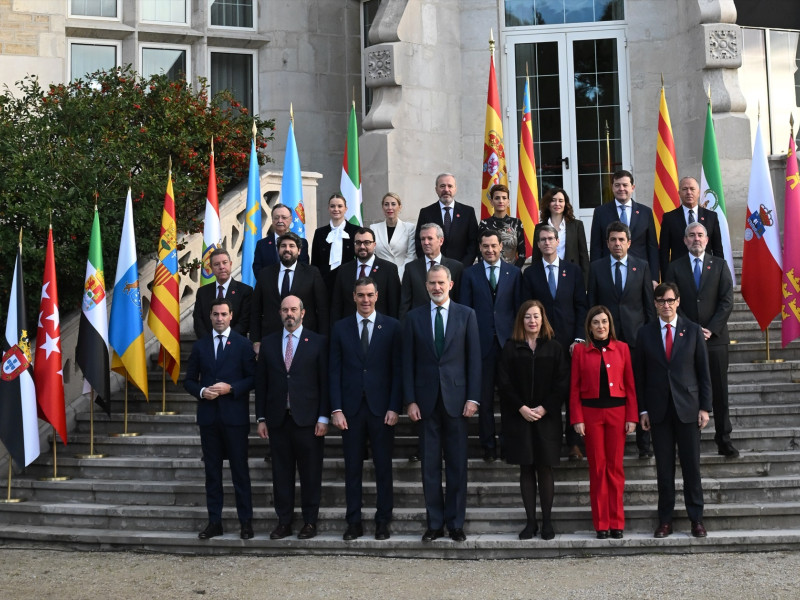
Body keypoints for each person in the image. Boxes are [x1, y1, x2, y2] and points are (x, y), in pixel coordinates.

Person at [403, 264, 481, 542]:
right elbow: (407, 363)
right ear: (426, 286)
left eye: (441, 283)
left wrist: (473, 398)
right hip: (425, 404)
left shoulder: (466, 315)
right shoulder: (413, 318)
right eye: (432, 283)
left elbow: (474, 360)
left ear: (450, 284)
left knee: (458, 465)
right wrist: (410, 400)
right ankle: (434, 523)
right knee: (430, 466)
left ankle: (456, 523)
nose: (436, 287)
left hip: (458, 402)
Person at [635, 282, 712, 539]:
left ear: (678, 301)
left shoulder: (692, 331)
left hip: (688, 409)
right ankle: (665, 520)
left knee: (692, 467)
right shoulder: (645, 333)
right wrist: (643, 410)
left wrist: (705, 407)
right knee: (664, 469)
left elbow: (703, 372)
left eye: (669, 301)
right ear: (655, 304)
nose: (665, 306)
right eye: (660, 302)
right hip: (658, 411)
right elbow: (640, 377)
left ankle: (696, 519)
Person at [330, 277, 402, 541]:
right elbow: (334, 371)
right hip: (350, 411)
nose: (365, 300)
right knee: (352, 470)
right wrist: (336, 409)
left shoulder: (392, 327)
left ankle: (383, 521)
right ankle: (354, 522)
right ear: (353, 297)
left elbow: (398, 371)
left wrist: (395, 407)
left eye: (369, 295)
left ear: (377, 295)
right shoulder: (340, 328)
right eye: (360, 295)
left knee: (383, 468)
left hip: (382, 409)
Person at [255, 295, 329, 540]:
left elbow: (324, 384)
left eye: (294, 309)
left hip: (308, 421)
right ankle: (284, 521)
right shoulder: (268, 343)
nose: (289, 314)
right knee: (281, 474)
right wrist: (261, 418)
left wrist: (323, 417)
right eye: (285, 310)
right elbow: (262, 383)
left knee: (310, 474)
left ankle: (309, 521)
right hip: (278, 420)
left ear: (303, 312)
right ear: (280, 313)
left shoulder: (317, 342)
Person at [184, 298, 256, 540]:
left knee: (240, 472)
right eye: (215, 314)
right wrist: (203, 392)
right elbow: (189, 380)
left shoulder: (243, 344)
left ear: (231, 316)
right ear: (210, 316)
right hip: (209, 419)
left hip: (235, 418)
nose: (219, 318)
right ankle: (215, 521)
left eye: (223, 314)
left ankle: (246, 522)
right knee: (212, 474)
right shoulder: (201, 346)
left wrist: (232, 388)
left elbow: (253, 379)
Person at [496, 300, 568, 541]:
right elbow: (504, 383)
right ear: (521, 320)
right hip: (520, 417)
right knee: (526, 468)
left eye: (536, 316)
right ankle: (531, 523)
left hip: (547, 418)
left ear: (543, 318)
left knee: (545, 468)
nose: (532, 321)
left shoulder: (555, 347)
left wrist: (545, 408)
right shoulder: (511, 347)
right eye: (527, 317)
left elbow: (562, 383)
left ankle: (547, 522)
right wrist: (522, 408)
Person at [665, 221, 736, 457]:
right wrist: (693, 329)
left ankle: (724, 439)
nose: (696, 239)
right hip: (686, 339)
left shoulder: (720, 265)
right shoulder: (674, 267)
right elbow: (673, 302)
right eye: (691, 235)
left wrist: (711, 329)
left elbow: (727, 300)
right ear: (685, 241)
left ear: (707, 240)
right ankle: (690, 440)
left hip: (715, 340)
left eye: (700, 235)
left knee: (720, 391)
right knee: (689, 389)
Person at [588, 221, 656, 458]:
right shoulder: (596, 268)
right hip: (606, 342)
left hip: (636, 339)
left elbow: (649, 305)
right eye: (613, 240)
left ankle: (644, 444)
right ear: (607, 243)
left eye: (621, 240)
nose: (617, 244)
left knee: (638, 387)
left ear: (629, 242)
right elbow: (592, 306)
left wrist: (650, 337)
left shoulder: (643, 266)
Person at [570, 305, 638, 539]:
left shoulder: (622, 349)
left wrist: (632, 417)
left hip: (617, 413)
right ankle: (601, 524)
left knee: (615, 469)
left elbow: (630, 385)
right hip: (591, 415)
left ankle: (617, 522)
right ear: (589, 326)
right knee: (597, 469)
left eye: (604, 322)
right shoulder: (580, 351)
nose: (601, 326)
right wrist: (577, 418)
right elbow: (575, 388)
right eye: (596, 322)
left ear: (610, 324)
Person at [523, 224, 588, 460]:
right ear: (538, 245)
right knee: (546, 393)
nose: (547, 243)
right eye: (542, 239)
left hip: (570, 342)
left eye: (551, 238)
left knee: (572, 392)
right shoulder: (530, 274)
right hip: (542, 344)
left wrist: (579, 337)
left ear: (558, 241)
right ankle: (550, 443)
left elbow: (582, 306)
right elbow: (526, 309)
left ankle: (574, 443)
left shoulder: (573, 271)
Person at [459, 229, 522, 461]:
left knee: (508, 399)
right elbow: (465, 311)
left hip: (508, 345)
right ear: (480, 247)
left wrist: (517, 343)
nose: (490, 250)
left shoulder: (514, 274)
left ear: (501, 247)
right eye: (485, 246)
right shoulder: (469, 274)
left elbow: (519, 311)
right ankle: (488, 447)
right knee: (484, 400)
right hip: (480, 345)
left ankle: (507, 446)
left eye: (494, 246)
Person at [250, 232, 329, 350]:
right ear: (278, 250)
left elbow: (322, 309)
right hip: (271, 339)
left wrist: (322, 339)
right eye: (283, 246)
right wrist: (255, 340)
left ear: (299, 251)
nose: (287, 249)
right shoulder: (265, 274)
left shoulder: (312, 273)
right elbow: (255, 309)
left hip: (305, 339)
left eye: (291, 246)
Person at [589, 170, 659, 283]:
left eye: (625, 185)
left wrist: (654, 278)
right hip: (609, 273)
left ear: (633, 187)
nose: (621, 189)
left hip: (640, 273)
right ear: (612, 187)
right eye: (617, 185)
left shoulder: (645, 212)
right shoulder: (600, 212)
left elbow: (652, 247)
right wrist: (595, 277)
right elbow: (596, 247)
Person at [658, 176, 725, 280]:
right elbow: (664, 252)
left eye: (692, 189)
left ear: (698, 193)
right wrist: (667, 280)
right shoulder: (669, 218)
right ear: (679, 193)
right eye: (684, 189)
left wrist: (720, 274)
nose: (689, 192)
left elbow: (717, 249)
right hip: (679, 274)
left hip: (707, 273)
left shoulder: (711, 216)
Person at [330, 227, 400, 321]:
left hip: (380, 328)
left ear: (374, 245)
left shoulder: (389, 269)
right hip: (350, 328)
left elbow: (394, 305)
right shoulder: (343, 270)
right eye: (358, 243)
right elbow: (337, 305)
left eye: (367, 242)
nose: (362, 246)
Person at [399, 223, 463, 320]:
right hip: (418, 324)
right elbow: (405, 303)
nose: (426, 242)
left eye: (430, 238)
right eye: (422, 239)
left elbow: (459, 300)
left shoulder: (456, 267)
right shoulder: (411, 268)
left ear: (441, 241)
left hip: (448, 323)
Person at [414, 173, 479, 267]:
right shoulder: (426, 212)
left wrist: (463, 267)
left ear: (455, 189)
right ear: (436, 189)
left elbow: (473, 243)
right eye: (442, 186)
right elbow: (419, 242)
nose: (446, 190)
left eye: (450, 186)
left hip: (461, 270)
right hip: (434, 270)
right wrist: (431, 265)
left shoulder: (468, 212)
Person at [532, 188, 590, 286]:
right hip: (548, 275)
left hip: (571, 275)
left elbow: (583, 256)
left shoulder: (577, 225)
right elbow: (536, 257)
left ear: (565, 204)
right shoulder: (539, 227)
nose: (557, 204)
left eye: (560, 201)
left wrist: (585, 283)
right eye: (553, 200)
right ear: (548, 204)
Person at [192, 249, 252, 339]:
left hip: (235, 344)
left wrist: (226, 340)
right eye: (216, 264)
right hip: (208, 345)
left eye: (225, 263)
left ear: (230, 264)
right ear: (211, 268)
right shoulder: (202, 292)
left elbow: (244, 321)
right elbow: (198, 320)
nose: (221, 267)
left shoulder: (245, 291)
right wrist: (210, 341)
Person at [311, 193, 360, 292]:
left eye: (340, 206)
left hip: (349, 282)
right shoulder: (320, 233)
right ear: (328, 208)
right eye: (332, 206)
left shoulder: (355, 231)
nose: (336, 209)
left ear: (346, 209)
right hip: (324, 283)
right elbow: (315, 262)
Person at [252, 203, 310, 279]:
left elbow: (304, 268)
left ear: (290, 219)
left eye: (284, 217)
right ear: (272, 220)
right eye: (276, 217)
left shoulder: (301, 242)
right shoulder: (262, 244)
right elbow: (257, 270)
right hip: (269, 288)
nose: (280, 221)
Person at [478, 184, 526, 267]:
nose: (501, 201)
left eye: (504, 198)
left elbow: (522, 254)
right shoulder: (484, 224)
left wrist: (514, 271)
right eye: (497, 198)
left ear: (508, 202)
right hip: (490, 272)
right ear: (491, 202)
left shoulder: (516, 223)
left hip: (512, 273)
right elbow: (480, 252)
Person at [371, 192, 416, 279]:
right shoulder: (374, 228)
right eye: (386, 204)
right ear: (382, 207)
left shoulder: (409, 228)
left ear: (399, 207)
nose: (390, 208)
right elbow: (373, 255)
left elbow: (411, 255)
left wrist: (398, 274)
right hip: (380, 275)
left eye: (393, 204)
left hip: (403, 275)